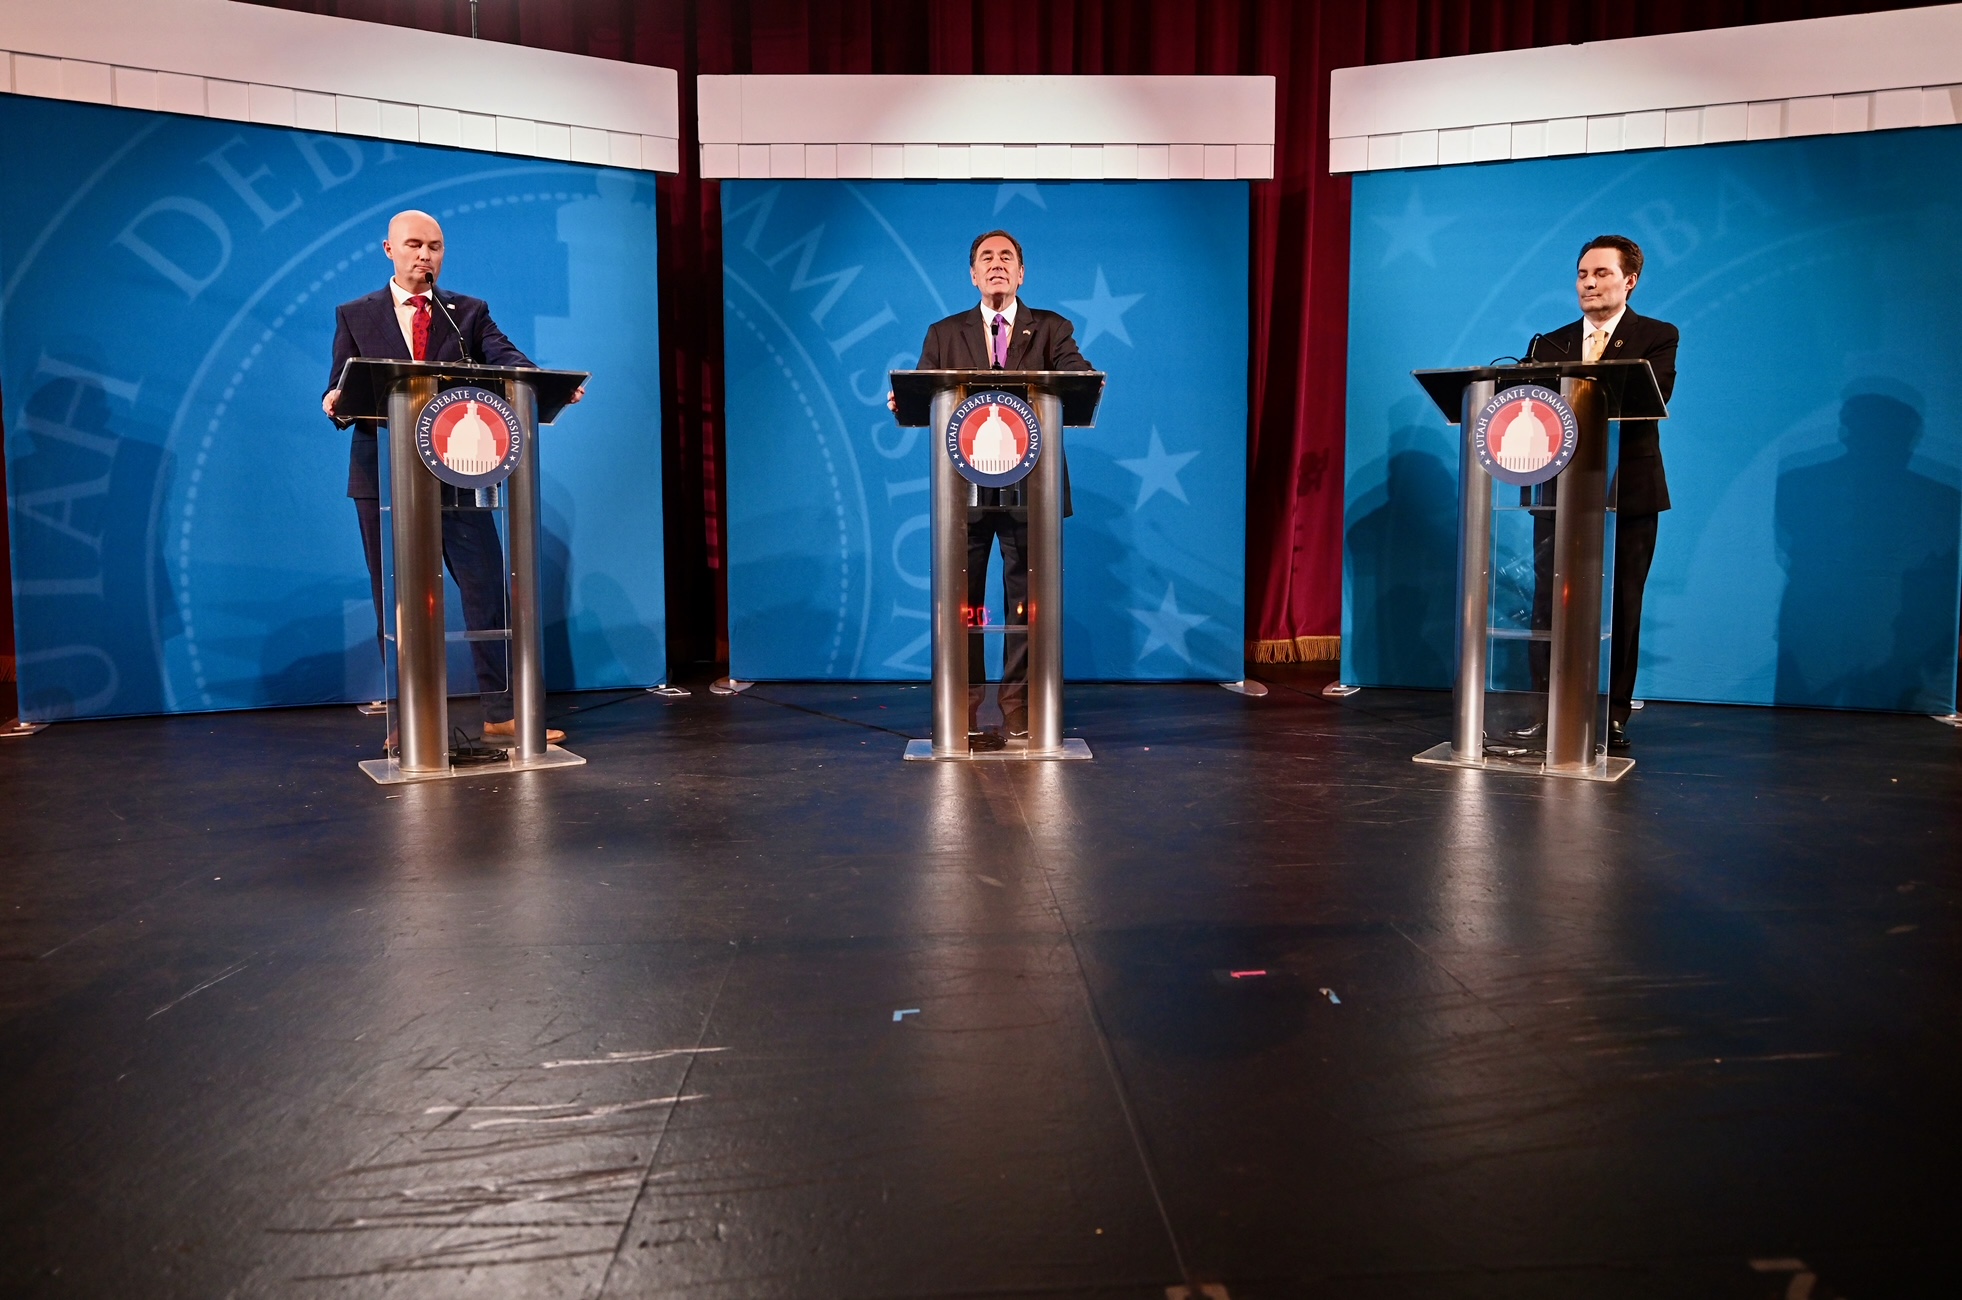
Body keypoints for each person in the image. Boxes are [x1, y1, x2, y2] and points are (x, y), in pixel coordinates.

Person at [322, 209, 575, 746]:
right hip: (383, 478)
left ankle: (501, 713)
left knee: (486, 591)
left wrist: (546, 386)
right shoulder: (355, 314)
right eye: (414, 245)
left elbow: (509, 360)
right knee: (396, 599)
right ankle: (408, 719)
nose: (425, 255)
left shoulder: (467, 313)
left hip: (459, 475)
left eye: (434, 247)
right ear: (389, 250)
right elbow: (340, 386)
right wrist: (336, 400)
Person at [906, 229, 1092, 743]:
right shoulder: (944, 332)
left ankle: (1018, 710)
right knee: (962, 604)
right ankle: (962, 708)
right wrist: (908, 399)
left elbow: (1078, 379)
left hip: (1032, 490)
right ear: (972, 274)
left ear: (1021, 273)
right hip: (962, 492)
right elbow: (922, 391)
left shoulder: (1052, 329)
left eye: (1006, 257)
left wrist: (1070, 382)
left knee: (1026, 606)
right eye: (986, 257)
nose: (997, 264)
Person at [1524, 234, 1679, 748]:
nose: (1588, 283)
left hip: (1628, 490)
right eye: (1582, 275)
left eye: (1601, 273)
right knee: (1549, 603)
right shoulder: (1548, 345)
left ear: (1630, 281)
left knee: (1623, 603)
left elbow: (1651, 397)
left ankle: (1612, 716)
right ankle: (1546, 708)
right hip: (1558, 491)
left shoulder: (1656, 336)